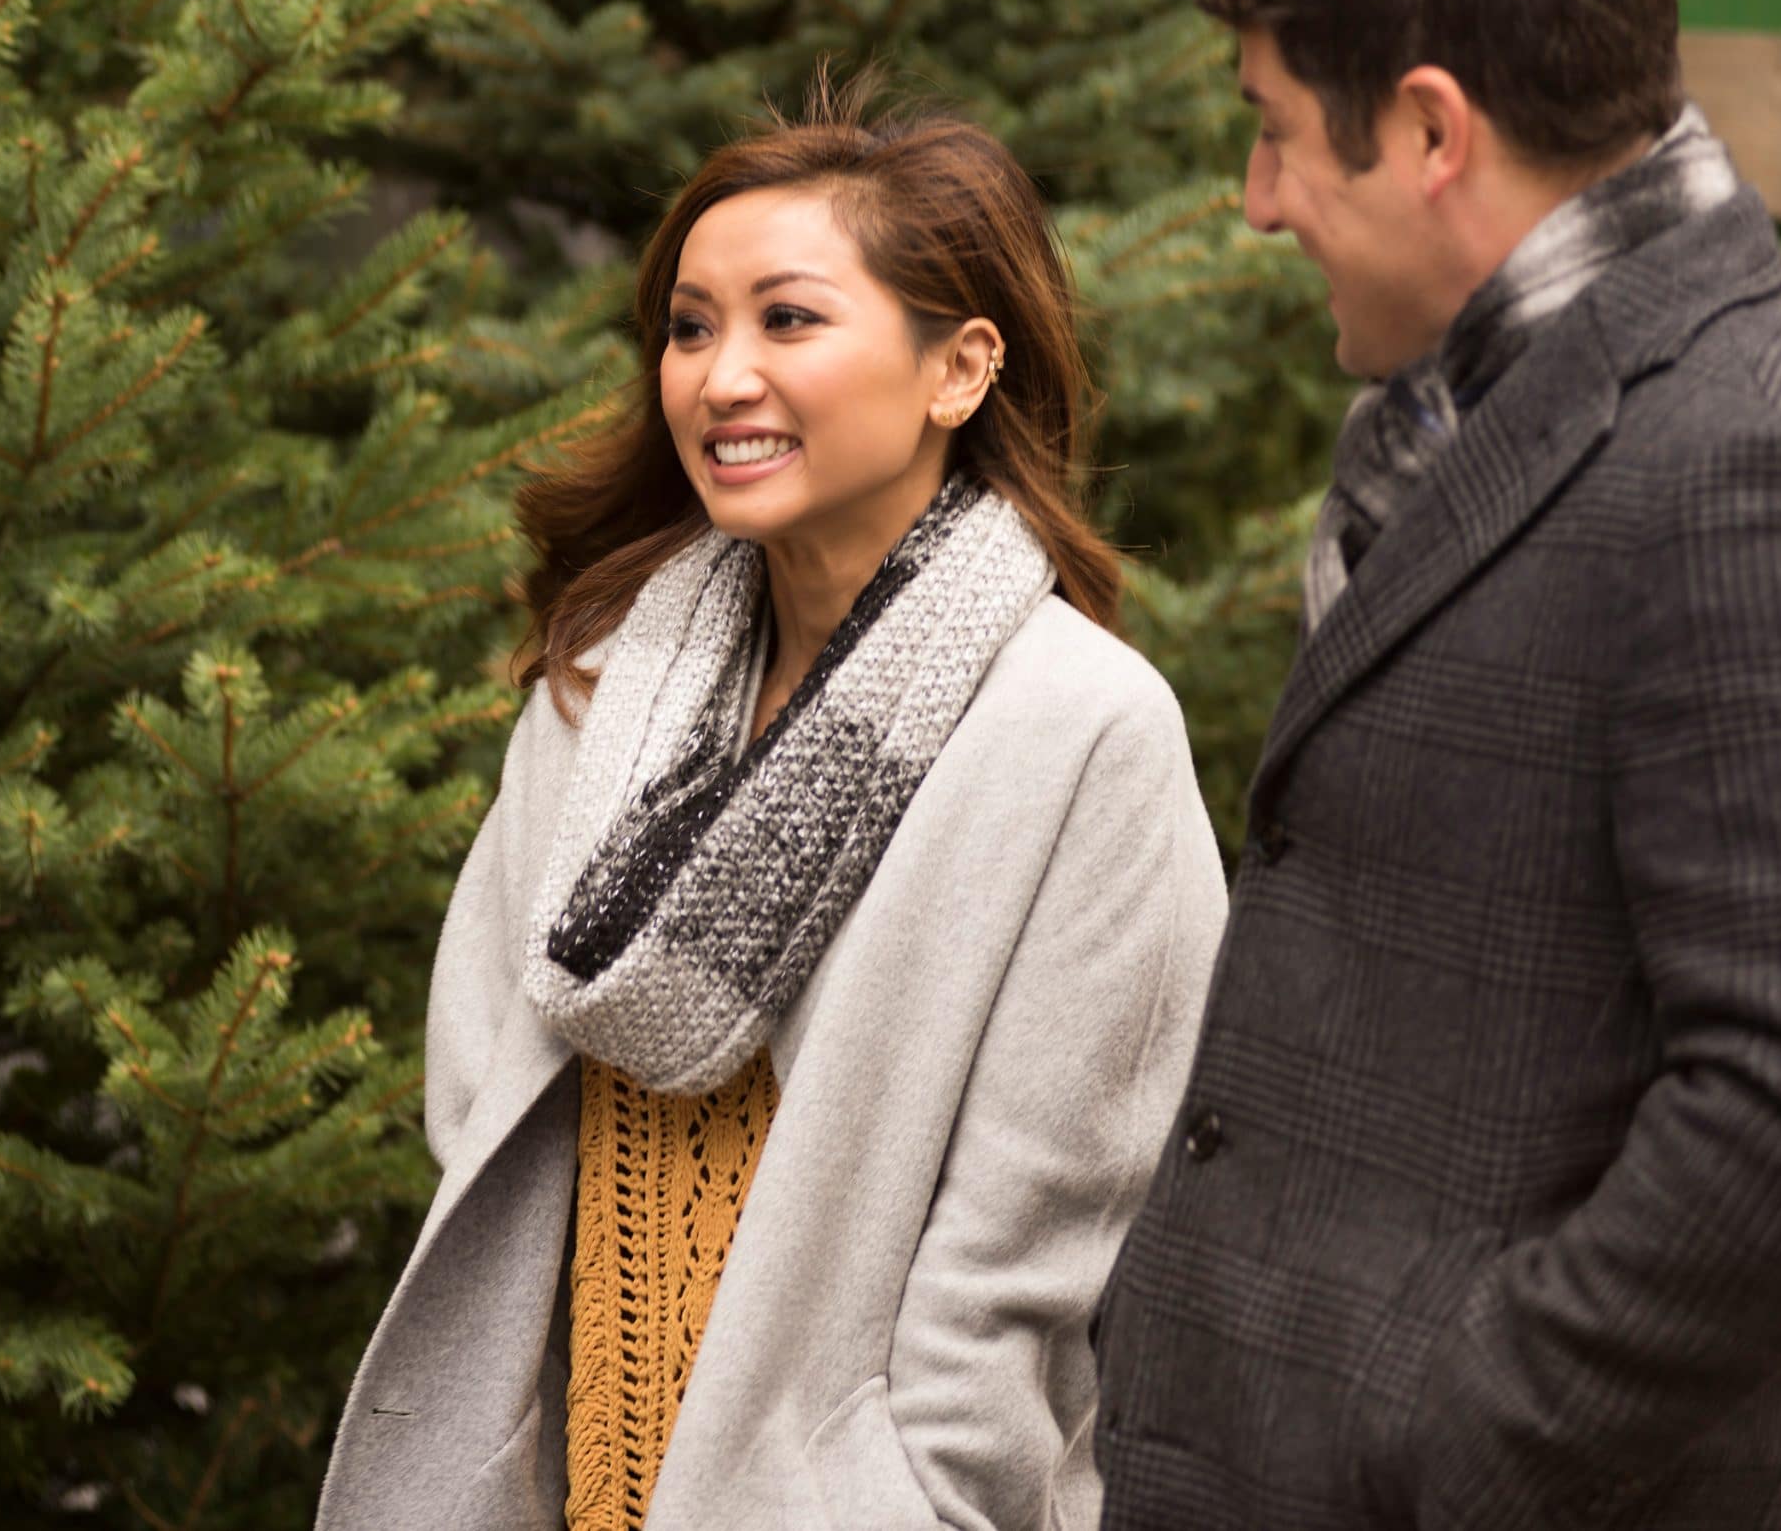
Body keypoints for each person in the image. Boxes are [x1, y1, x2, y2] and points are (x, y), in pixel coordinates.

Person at [1090, 0, 1781, 1530]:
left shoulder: (1754, 462)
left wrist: (1459, 1437)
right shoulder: (1465, 420)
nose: (1253, 203)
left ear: (1433, 131)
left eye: (1278, 133)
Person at [316, 94, 1228, 1531]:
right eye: (689, 328)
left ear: (960, 369)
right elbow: (481, 1103)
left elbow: (1034, 1259)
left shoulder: (1081, 732)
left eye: (788, 322)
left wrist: (893, 1497)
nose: (720, 377)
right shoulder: (598, 685)